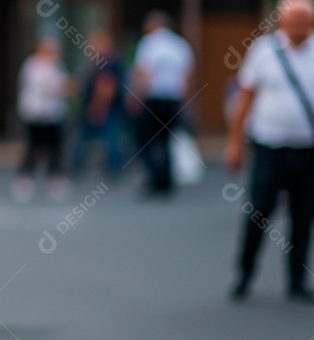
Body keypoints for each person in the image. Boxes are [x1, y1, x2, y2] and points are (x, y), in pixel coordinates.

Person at [225, 0, 314, 304]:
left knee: (303, 215)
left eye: (304, 21)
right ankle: (245, 272)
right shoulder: (264, 51)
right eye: (293, 21)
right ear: (280, 22)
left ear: (313, 23)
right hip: (269, 145)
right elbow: (245, 98)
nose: (298, 27)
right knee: (259, 210)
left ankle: (298, 280)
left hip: (309, 147)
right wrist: (235, 142)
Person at [130, 10, 194, 197]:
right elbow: (188, 76)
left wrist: (135, 98)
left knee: (147, 140)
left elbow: (143, 74)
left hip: (154, 99)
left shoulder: (149, 43)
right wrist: (185, 99)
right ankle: (166, 180)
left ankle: (155, 178)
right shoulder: (180, 44)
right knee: (166, 140)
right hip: (173, 99)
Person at [13, 37, 70, 201]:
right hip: (35, 113)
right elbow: (49, 87)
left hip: (53, 114)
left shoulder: (56, 65)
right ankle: (25, 180)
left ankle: (55, 179)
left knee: (55, 148)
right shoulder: (32, 65)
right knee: (32, 147)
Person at [70, 30, 126, 179]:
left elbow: (106, 87)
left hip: (104, 109)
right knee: (105, 138)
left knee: (107, 139)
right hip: (105, 108)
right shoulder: (103, 62)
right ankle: (112, 168)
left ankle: (113, 169)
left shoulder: (107, 63)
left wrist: (98, 107)